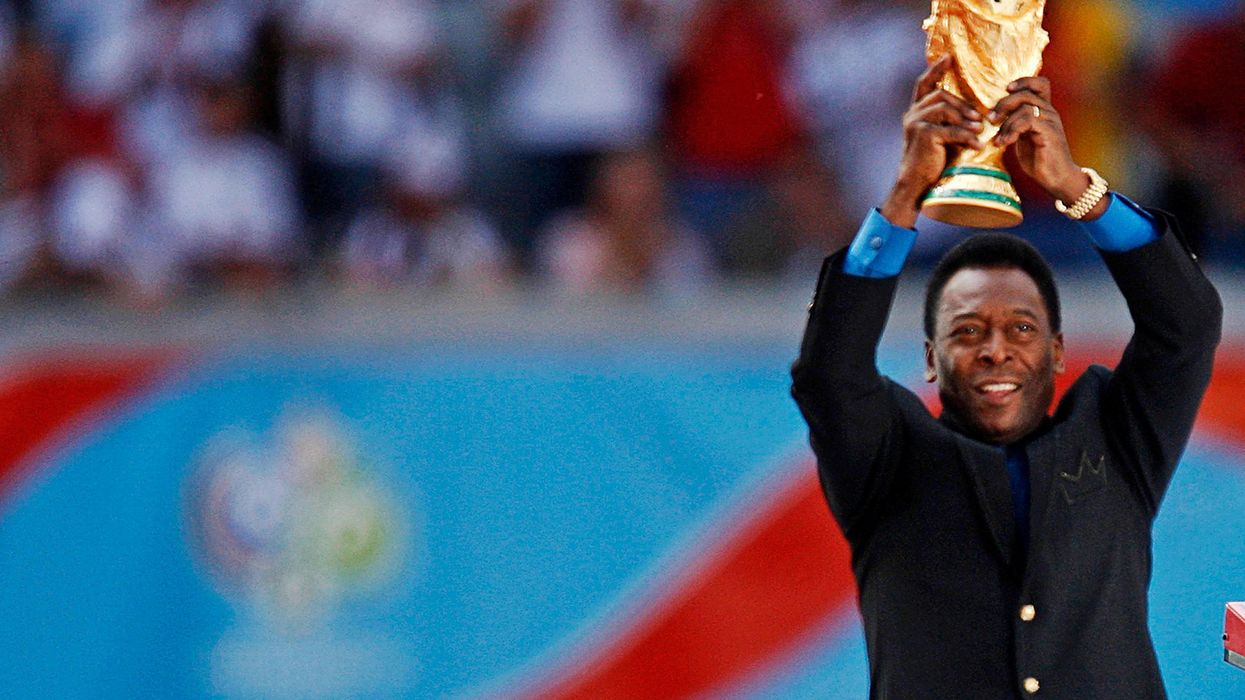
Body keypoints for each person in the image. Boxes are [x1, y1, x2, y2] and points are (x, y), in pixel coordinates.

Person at [790, 56, 1221, 698]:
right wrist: (906, 194)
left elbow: (1185, 324)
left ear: (1055, 352)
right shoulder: (887, 462)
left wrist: (1077, 188)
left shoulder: (1117, 439)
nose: (996, 350)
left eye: (1021, 329)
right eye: (967, 331)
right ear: (931, 358)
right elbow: (831, 376)